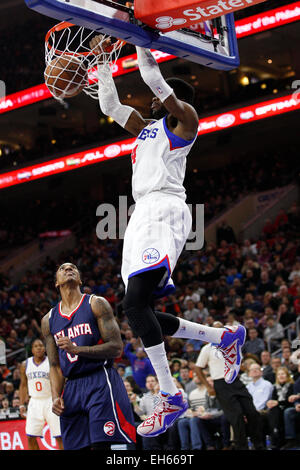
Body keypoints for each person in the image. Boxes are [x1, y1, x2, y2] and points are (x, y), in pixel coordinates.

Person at [90, 35, 246, 437]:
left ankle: (171, 395)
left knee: (135, 304)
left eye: (161, 98)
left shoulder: (187, 118)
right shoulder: (146, 129)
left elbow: (153, 78)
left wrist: (139, 38)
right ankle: (224, 337)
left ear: (172, 99)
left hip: (165, 208)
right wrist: (102, 63)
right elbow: (110, 106)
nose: (154, 100)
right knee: (138, 310)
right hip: (141, 213)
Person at [41, 262, 136, 450]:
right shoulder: (49, 320)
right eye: (62, 268)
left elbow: (116, 347)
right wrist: (55, 397)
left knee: (102, 445)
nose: (68, 269)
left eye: (73, 268)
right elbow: (54, 366)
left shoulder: (96, 304)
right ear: (56, 283)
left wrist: (78, 350)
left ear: (80, 279)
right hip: (71, 387)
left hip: (100, 379)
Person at [195, 321, 264, 450]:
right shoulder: (207, 348)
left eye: (221, 329)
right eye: (215, 329)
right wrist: (208, 387)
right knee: (236, 417)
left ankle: (259, 444)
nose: (219, 331)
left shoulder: (233, 344)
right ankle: (241, 446)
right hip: (221, 383)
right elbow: (198, 368)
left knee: (252, 412)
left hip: (236, 381)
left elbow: (239, 363)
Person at [19, 338, 63, 450]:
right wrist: (21, 404)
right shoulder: (25, 364)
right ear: (32, 350)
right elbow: (23, 385)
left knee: (59, 436)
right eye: (36, 346)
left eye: (41, 345)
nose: (39, 348)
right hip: (34, 402)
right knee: (30, 436)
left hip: (50, 400)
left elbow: (61, 380)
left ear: (45, 348)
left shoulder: (51, 362)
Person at [266, 366, 294, 449]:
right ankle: (274, 437)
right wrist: (270, 403)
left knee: (280, 411)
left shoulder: (291, 386)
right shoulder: (275, 387)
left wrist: (277, 403)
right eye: (279, 374)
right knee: (273, 410)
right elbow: (274, 400)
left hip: (288, 407)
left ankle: (278, 440)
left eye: (283, 374)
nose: (281, 376)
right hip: (278, 409)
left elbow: (290, 401)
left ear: (287, 375)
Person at [281, 361, 300, 449]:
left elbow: (297, 395)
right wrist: (297, 404)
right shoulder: (297, 383)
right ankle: (291, 440)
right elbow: (296, 398)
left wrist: (297, 397)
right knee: (288, 412)